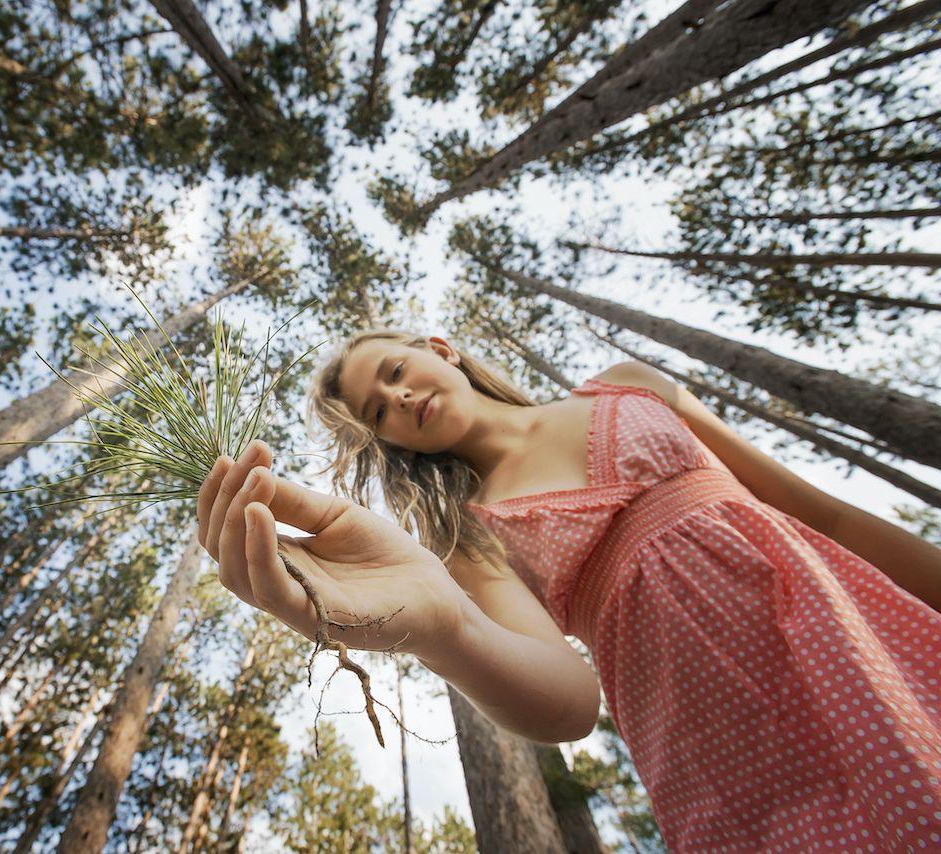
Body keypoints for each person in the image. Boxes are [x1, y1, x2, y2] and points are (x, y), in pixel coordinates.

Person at [196, 330, 941, 852]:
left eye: (395, 371)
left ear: (439, 351)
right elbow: (569, 701)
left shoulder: (627, 387)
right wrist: (442, 631)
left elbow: (827, 514)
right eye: (377, 413)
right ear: (387, 441)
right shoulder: (470, 536)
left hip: (865, 648)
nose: (398, 398)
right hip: (731, 758)